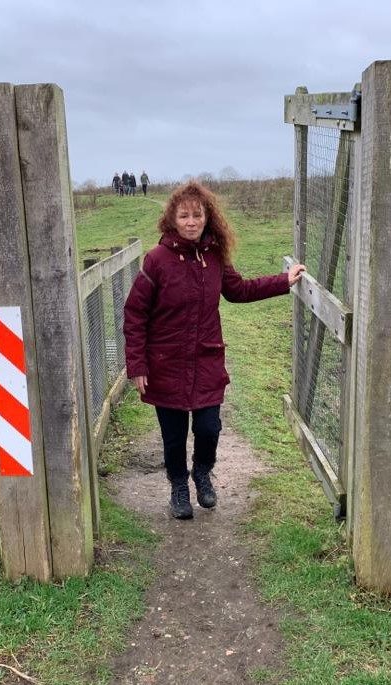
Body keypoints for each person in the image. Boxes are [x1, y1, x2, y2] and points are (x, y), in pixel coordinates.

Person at [123, 181, 305, 519]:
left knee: (209, 428)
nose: (191, 222)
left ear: (208, 218)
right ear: (172, 220)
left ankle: (202, 473)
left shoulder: (215, 257)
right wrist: (137, 365)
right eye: (184, 216)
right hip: (166, 364)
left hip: (206, 361)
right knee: (174, 435)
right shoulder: (157, 260)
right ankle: (178, 486)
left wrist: (284, 280)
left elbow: (239, 290)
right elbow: (135, 313)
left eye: (197, 215)